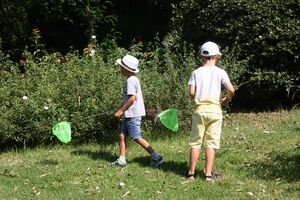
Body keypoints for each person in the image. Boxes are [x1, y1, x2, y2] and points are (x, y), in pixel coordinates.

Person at [187, 41, 235, 181]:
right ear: (217, 56)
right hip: (215, 110)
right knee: (211, 143)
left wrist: (196, 98)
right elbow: (231, 90)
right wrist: (226, 99)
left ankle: (191, 173)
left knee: (195, 142)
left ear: (201, 56)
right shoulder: (220, 72)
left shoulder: (196, 72)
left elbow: (191, 92)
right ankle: (208, 175)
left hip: (199, 110)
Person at [111, 54, 164, 167]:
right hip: (129, 113)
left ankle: (156, 157)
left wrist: (121, 110)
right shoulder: (132, 79)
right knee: (121, 134)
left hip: (133, 114)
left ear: (126, 69)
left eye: (121, 67)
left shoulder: (130, 80)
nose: (120, 69)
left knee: (136, 137)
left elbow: (132, 98)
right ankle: (122, 160)